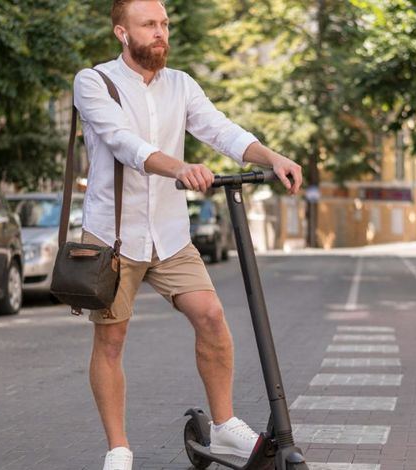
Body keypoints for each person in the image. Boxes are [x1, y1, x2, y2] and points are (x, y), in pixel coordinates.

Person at [73, 1, 303, 469]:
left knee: (212, 316)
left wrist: (272, 157)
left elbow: (220, 130)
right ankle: (118, 450)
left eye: (164, 24)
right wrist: (180, 167)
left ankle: (223, 428)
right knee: (111, 341)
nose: (160, 33)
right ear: (122, 32)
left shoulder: (181, 84)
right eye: (149, 25)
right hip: (113, 237)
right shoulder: (94, 82)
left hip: (170, 234)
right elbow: (123, 143)